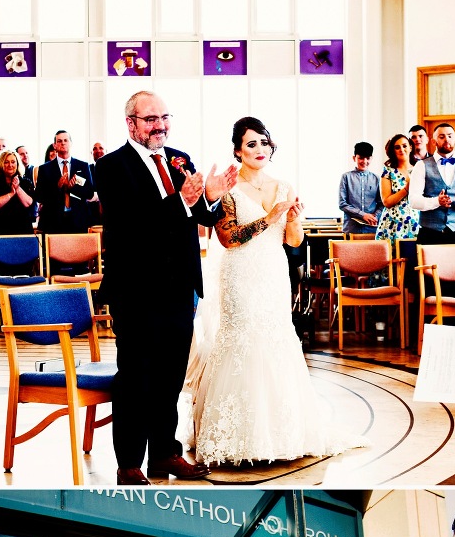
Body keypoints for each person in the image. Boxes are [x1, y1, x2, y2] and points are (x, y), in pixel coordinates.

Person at [188, 114, 345, 468]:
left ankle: (282, 433)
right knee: (242, 340)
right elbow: (228, 239)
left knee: (276, 339)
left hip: (273, 272)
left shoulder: (283, 186)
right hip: (240, 274)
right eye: (251, 143)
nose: (260, 149)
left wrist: (292, 219)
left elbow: (293, 240)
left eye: (264, 141)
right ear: (238, 151)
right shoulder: (229, 189)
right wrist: (269, 218)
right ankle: (234, 435)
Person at [94, 92, 236, 484]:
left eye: (164, 117)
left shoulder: (180, 159)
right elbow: (132, 225)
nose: (160, 125)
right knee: (137, 378)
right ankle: (129, 464)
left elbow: (201, 216)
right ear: (132, 124)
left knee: (171, 377)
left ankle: (163, 455)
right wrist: (182, 200)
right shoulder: (109, 168)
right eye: (150, 118)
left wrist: (212, 194)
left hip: (179, 289)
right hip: (136, 290)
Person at [410, 124, 455, 241]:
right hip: (429, 233)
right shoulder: (421, 166)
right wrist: (436, 201)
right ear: (434, 141)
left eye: (450, 136)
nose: (446, 139)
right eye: (441, 136)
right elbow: (413, 201)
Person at [33, 126, 95, 238]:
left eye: (66, 140)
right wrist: (57, 187)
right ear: (54, 145)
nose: (63, 143)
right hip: (53, 221)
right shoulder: (44, 169)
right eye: (59, 141)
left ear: (71, 143)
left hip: (78, 220)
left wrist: (73, 188)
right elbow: (39, 196)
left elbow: (90, 193)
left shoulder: (83, 166)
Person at [376, 132, 421, 243]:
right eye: (397, 147)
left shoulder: (420, 168)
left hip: (416, 221)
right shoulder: (388, 171)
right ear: (393, 151)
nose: (401, 149)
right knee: (393, 258)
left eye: (404, 146)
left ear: (410, 147)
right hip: (393, 224)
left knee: (417, 257)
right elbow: (386, 201)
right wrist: (406, 189)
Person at [0, 149, 35, 233]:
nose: (10, 165)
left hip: (23, 230)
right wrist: (11, 194)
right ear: (1, 164)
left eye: (13, 162)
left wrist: (18, 188)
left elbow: (28, 203)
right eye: (6, 162)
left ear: (17, 164)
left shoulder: (26, 182)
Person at [339, 141, 382, 231]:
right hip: (351, 228)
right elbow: (342, 204)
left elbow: (382, 204)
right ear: (354, 158)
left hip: (372, 228)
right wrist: (363, 215)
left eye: (368, 158)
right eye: (361, 158)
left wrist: (375, 216)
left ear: (371, 158)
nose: (364, 161)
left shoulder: (377, 179)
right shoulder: (346, 177)